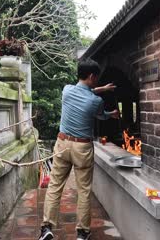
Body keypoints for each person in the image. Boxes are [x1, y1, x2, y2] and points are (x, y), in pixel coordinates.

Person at [38, 58, 119, 240]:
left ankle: (47, 228)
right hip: (82, 148)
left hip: (62, 144)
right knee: (83, 191)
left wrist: (103, 88)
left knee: (54, 187)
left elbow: (84, 91)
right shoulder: (95, 101)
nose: (97, 82)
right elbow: (101, 115)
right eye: (96, 79)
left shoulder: (66, 91)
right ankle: (82, 232)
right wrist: (111, 114)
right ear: (91, 76)